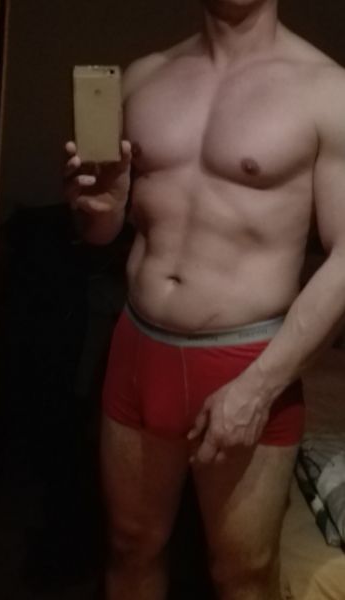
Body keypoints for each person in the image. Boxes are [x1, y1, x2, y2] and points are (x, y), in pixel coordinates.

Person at [63, 0, 345, 599]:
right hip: (138, 348)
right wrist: (98, 210)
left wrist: (260, 388)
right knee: (129, 546)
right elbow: (103, 233)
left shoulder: (327, 91)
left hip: (247, 361)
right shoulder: (145, 76)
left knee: (242, 574)